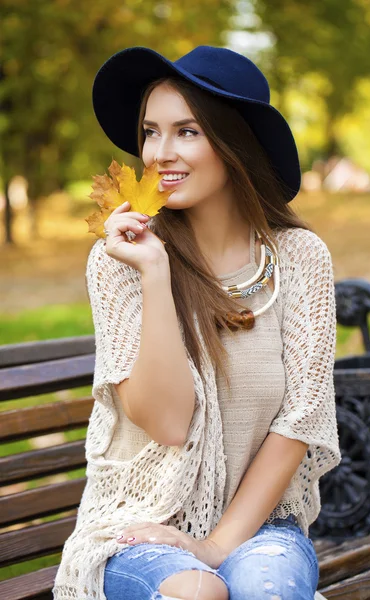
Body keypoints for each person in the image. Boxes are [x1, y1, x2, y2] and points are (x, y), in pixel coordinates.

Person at [53, 45, 341, 600]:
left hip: (261, 529)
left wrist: (214, 546)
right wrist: (155, 272)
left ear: (236, 143)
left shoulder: (301, 258)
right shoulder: (121, 261)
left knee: (264, 588)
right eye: (150, 131)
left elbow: (300, 422)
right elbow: (167, 423)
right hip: (136, 530)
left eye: (187, 131)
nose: (160, 153)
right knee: (199, 593)